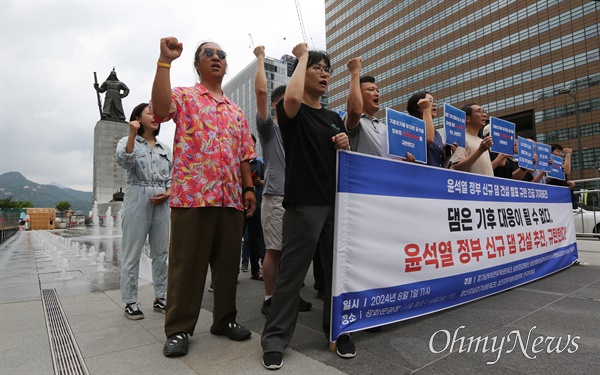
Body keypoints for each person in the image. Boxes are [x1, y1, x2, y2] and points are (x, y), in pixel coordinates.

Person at [151, 37, 257, 358]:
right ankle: (179, 329)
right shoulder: (184, 97)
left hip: (230, 199)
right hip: (193, 196)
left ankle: (225, 320)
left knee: (227, 267)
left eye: (221, 55)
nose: (216, 58)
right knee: (187, 267)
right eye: (208, 54)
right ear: (197, 65)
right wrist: (164, 61)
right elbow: (158, 110)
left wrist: (249, 188)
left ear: (225, 65)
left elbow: (243, 155)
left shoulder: (236, 111)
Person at [261, 43, 351, 371]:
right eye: (318, 67)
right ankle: (274, 339)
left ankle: (338, 330)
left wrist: (345, 142)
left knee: (337, 274)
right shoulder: (293, 112)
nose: (325, 73)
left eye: (328, 69)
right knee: (292, 275)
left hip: (336, 204)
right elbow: (293, 99)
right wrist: (301, 58)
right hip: (303, 204)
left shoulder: (333, 117)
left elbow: (346, 156)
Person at [253, 46, 312, 318]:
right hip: (276, 196)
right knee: (275, 250)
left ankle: (288, 294)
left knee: (293, 252)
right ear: (280, 105)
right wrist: (261, 58)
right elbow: (262, 93)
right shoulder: (270, 128)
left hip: (299, 197)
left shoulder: (299, 132)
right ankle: (269, 298)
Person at [115, 102, 172, 320]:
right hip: (137, 194)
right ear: (138, 118)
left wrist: (168, 193)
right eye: (150, 112)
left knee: (161, 251)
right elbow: (125, 161)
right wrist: (131, 135)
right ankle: (130, 301)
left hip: (161, 199)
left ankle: (160, 297)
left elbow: (172, 177)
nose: (155, 116)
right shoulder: (127, 141)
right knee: (132, 250)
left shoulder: (164, 149)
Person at [345, 57, 416, 161]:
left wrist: (405, 161)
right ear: (358, 94)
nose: (376, 93)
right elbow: (355, 111)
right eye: (371, 90)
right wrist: (355, 71)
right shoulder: (354, 121)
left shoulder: (385, 127)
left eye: (378, 91)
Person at [406, 90, 457, 168]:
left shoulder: (436, 134)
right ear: (417, 107)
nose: (434, 104)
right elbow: (428, 139)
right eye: (430, 101)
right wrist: (426, 109)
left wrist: (446, 158)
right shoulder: (412, 128)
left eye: (434, 101)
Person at [450, 104, 497, 175]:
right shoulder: (460, 138)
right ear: (467, 118)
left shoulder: (481, 141)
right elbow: (457, 168)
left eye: (484, 112)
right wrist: (480, 150)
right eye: (479, 111)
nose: (484, 115)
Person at [244, 134, 266, 280]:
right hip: (237, 203)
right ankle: (232, 272)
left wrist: (259, 182)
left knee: (255, 238)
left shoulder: (259, 163)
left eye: (252, 143)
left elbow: (266, 181)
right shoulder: (237, 161)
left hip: (256, 204)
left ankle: (255, 270)